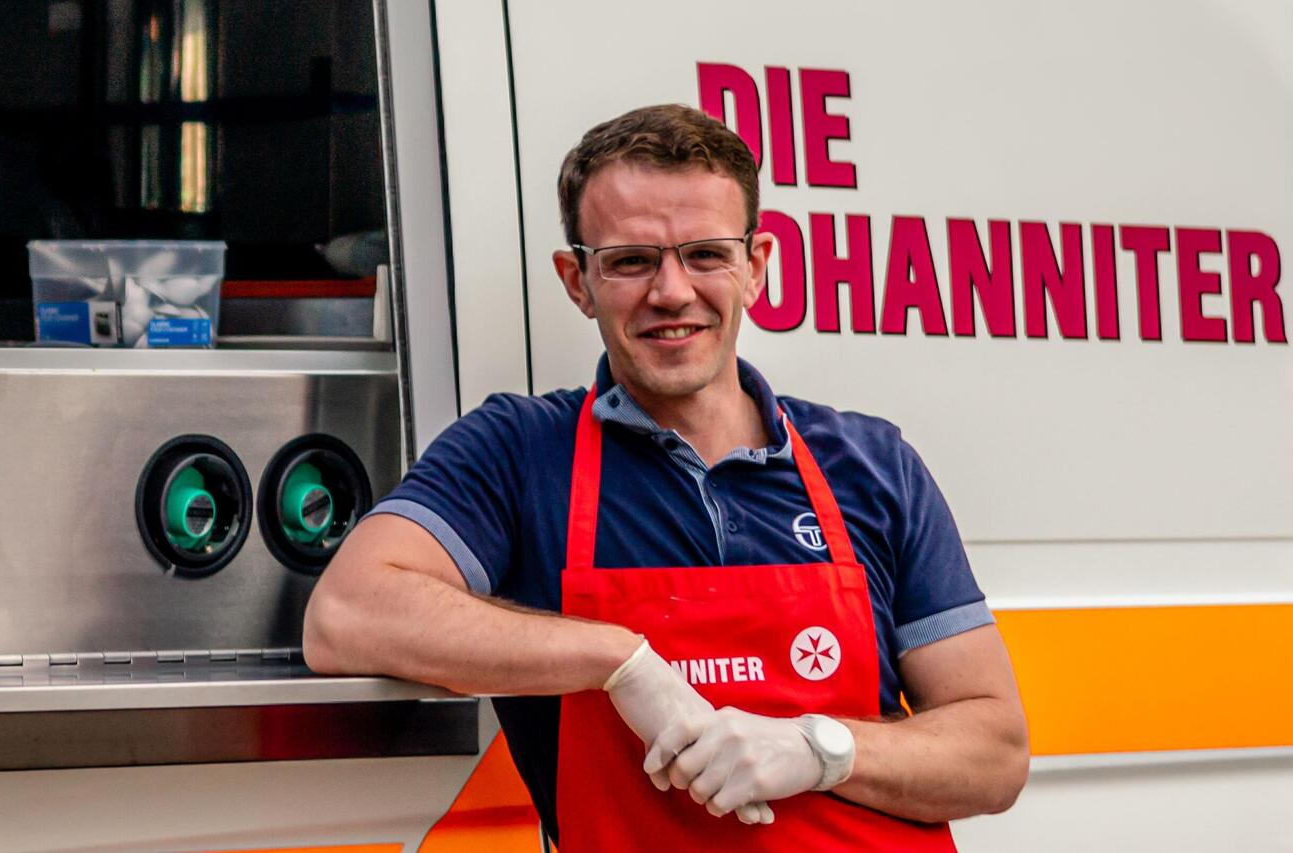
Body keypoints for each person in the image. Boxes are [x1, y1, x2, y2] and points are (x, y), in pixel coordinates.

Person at [301, 104, 1027, 850]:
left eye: (706, 254)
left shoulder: (873, 466)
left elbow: (996, 754)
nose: (672, 291)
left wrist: (821, 749)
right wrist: (619, 662)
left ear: (756, 267)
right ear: (578, 281)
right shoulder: (518, 452)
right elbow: (347, 614)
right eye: (630, 260)